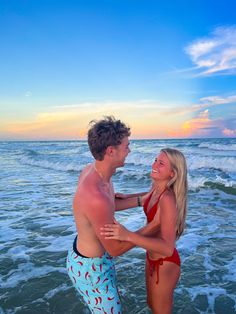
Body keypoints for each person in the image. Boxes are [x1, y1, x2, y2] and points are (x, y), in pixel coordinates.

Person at [67, 116, 158, 314]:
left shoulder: (96, 171)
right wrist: (152, 227)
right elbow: (116, 248)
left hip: (87, 256)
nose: (129, 151)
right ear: (111, 151)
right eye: (126, 146)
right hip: (91, 269)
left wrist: (147, 198)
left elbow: (109, 206)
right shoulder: (95, 195)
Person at [101, 148, 188, 314]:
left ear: (172, 173)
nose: (154, 164)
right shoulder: (155, 190)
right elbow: (142, 198)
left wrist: (128, 235)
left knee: (161, 311)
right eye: (156, 160)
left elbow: (168, 248)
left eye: (161, 163)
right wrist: (127, 196)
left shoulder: (168, 199)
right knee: (152, 305)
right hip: (152, 257)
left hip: (165, 262)